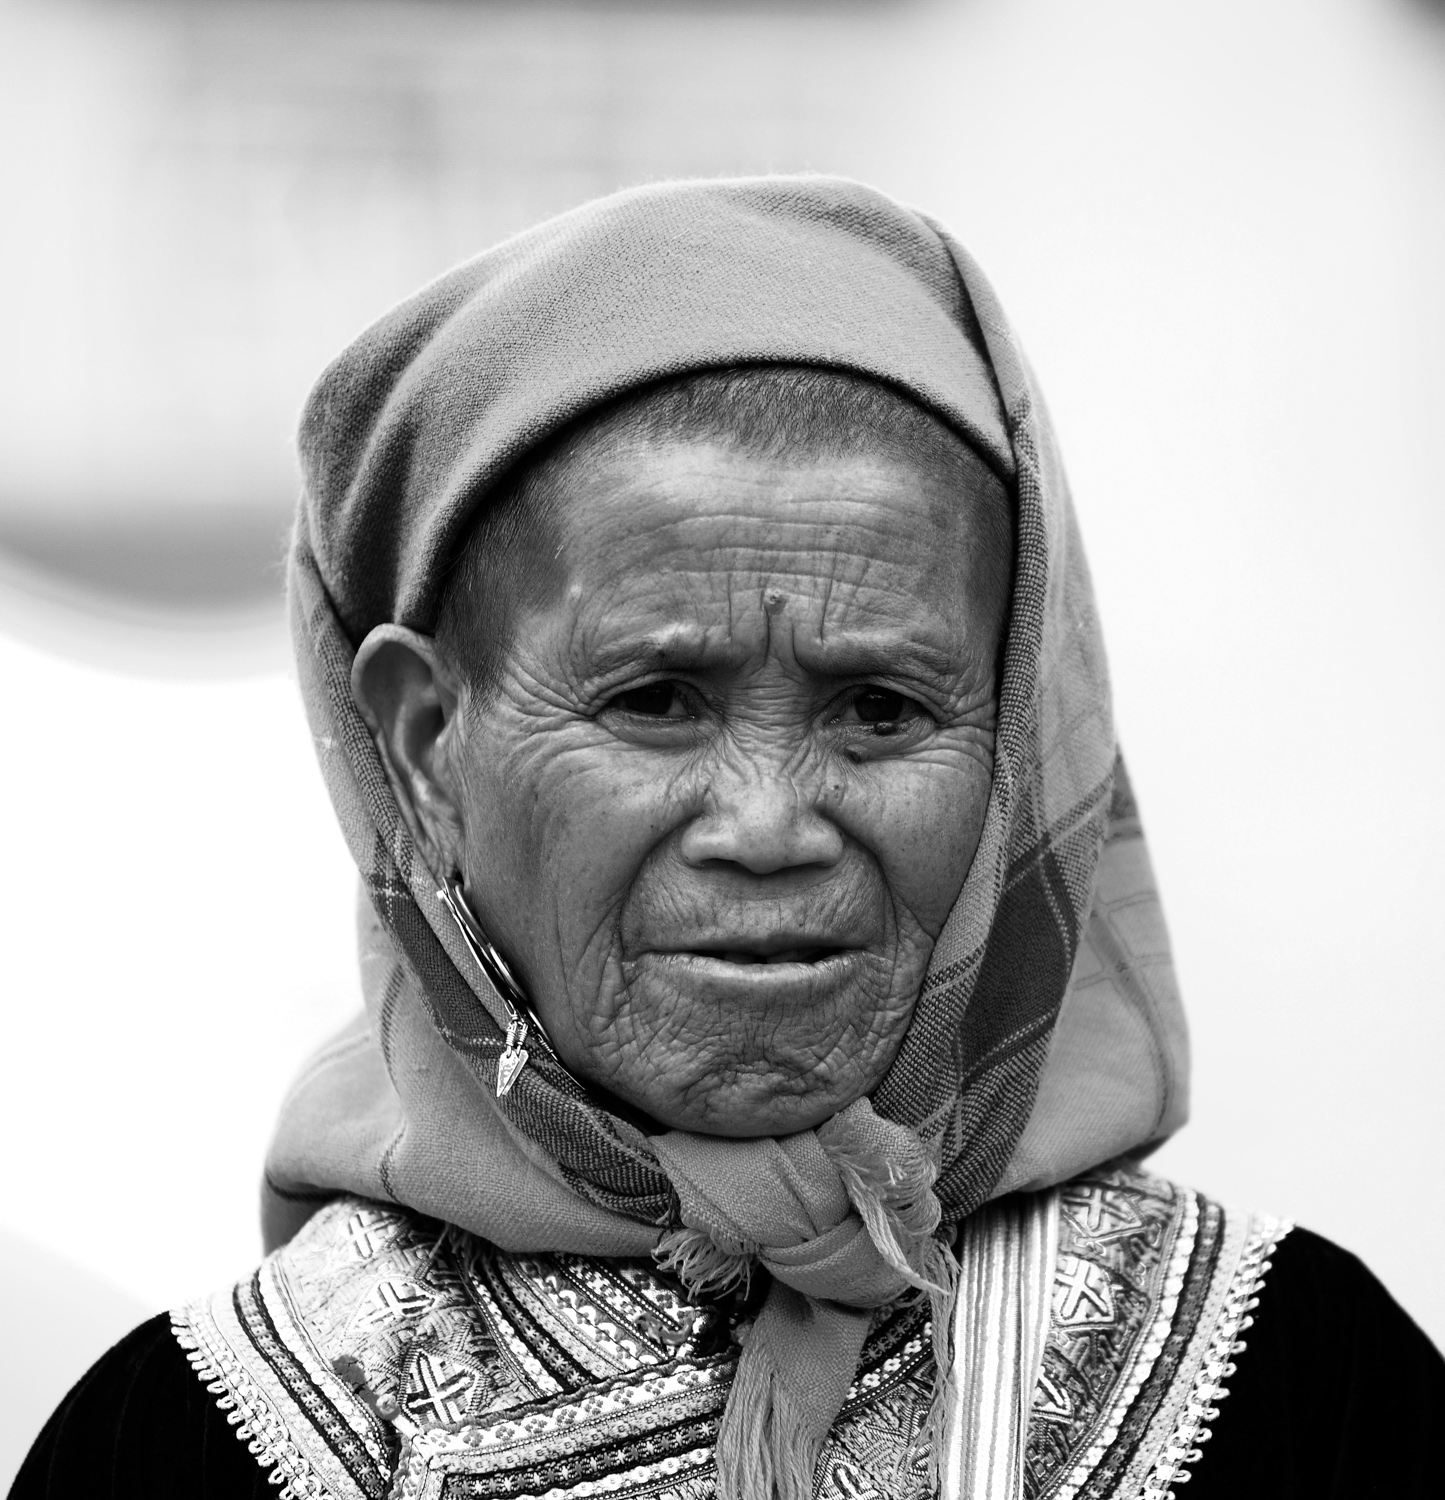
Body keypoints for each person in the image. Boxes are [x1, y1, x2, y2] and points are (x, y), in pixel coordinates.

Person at [12, 176, 1442, 1500]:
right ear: (426, 740)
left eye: (880, 709)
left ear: (1012, 735)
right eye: (653, 701)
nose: (767, 827)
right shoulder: (195, 1446)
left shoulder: (1299, 1393)